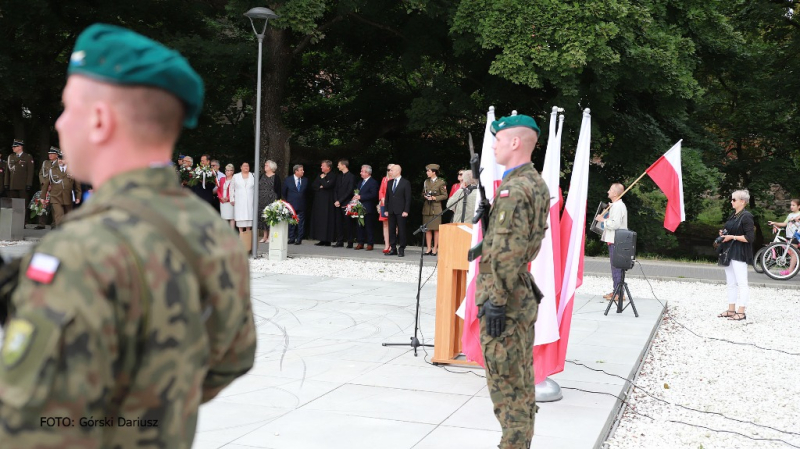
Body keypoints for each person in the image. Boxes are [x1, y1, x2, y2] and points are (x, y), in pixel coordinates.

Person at [0, 24, 255, 447]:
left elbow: (32, 430)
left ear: (99, 120)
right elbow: (232, 358)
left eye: (67, 109)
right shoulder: (208, 226)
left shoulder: (83, 248)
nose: (61, 124)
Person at [475, 114, 549, 449]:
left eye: (498, 139)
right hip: (519, 294)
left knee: (506, 385)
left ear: (515, 142)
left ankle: (514, 444)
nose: (494, 145)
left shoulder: (514, 189)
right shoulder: (535, 182)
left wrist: (495, 301)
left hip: (505, 300)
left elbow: (507, 251)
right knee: (520, 379)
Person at [717, 189, 755, 321]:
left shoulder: (747, 216)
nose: (731, 202)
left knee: (742, 282)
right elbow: (730, 230)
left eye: (734, 199)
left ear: (742, 202)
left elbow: (750, 237)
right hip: (729, 251)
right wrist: (724, 234)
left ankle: (741, 311)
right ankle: (731, 309)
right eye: (731, 199)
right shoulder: (733, 215)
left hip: (740, 252)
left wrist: (732, 237)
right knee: (731, 282)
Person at [594, 183, 628, 301]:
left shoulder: (618, 206)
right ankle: (616, 291)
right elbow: (614, 220)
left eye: (610, 189)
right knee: (615, 267)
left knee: (616, 267)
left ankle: (619, 294)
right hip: (614, 239)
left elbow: (615, 224)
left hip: (616, 240)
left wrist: (602, 220)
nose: (608, 191)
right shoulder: (616, 206)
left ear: (615, 193)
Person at [41, 151, 82, 227]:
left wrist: (78, 196)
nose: (60, 160)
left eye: (62, 159)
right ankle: (59, 232)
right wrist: (42, 197)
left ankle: (66, 233)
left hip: (68, 197)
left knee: (68, 216)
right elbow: (46, 184)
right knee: (59, 214)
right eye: (59, 158)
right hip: (55, 196)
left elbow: (77, 185)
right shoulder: (52, 170)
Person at [767, 198, 800, 275]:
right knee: (792, 253)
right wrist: (774, 223)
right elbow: (784, 224)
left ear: (799, 206)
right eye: (791, 205)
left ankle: (790, 271)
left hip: (795, 236)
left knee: (793, 254)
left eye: (793, 205)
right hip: (789, 236)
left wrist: (796, 219)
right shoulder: (790, 215)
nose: (791, 207)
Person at [384, 164, 411, 257]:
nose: (390, 172)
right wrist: (386, 209)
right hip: (391, 210)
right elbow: (387, 197)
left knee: (402, 230)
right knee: (391, 229)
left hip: (401, 210)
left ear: (398, 171)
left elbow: (408, 198)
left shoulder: (405, 183)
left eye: (392, 170)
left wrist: (406, 210)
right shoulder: (389, 182)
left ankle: (402, 248)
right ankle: (393, 248)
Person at [421, 164, 448, 256]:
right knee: (427, 229)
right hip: (427, 207)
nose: (427, 172)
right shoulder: (426, 182)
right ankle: (428, 248)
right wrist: (425, 196)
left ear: (434, 172)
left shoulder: (441, 182)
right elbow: (423, 192)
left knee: (436, 229)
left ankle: (435, 248)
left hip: (436, 208)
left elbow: (445, 195)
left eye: (428, 171)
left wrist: (434, 198)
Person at [310, 160, 336, 246]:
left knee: (327, 219)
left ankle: (327, 239)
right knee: (320, 219)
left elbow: (328, 185)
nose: (321, 167)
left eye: (323, 166)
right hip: (319, 201)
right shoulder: (319, 175)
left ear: (328, 167)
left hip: (328, 201)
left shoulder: (332, 176)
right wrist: (320, 186)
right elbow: (314, 185)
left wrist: (322, 180)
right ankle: (321, 239)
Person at [353, 164, 379, 250]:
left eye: (362, 171)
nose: (360, 173)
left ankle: (370, 243)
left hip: (368, 207)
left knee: (368, 226)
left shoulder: (373, 182)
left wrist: (361, 197)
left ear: (367, 173)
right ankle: (360, 242)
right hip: (359, 207)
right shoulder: (360, 182)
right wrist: (355, 197)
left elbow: (374, 195)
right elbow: (357, 192)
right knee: (359, 225)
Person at [333, 158, 357, 248]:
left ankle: (350, 241)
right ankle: (340, 241)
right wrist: (336, 200)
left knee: (348, 223)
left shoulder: (351, 177)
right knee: (338, 222)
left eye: (339, 164)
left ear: (344, 165)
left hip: (346, 203)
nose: (337, 166)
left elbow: (350, 190)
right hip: (338, 203)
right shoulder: (339, 176)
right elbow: (335, 189)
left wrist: (340, 200)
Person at [35, 147, 60, 229]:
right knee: (42, 204)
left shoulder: (60, 163)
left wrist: (52, 185)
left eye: (52, 154)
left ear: (56, 155)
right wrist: (43, 183)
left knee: (54, 205)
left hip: (55, 187)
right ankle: (41, 223)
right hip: (45, 187)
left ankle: (54, 223)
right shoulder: (45, 163)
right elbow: (41, 174)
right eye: (49, 153)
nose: (50, 155)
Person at [282, 164, 308, 245]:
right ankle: (291, 238)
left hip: (301, 204)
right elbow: (284, 192)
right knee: (291, 222)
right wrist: (288, 201)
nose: (303, 171)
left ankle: (299, 238)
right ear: (296, 171)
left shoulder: (305, 180)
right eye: (301, 170)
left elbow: (307, 192)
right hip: (291, 204)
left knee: (301, 223)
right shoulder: (288, 180)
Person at [258, 160, 282, 243]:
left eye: (267, 165)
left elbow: (278, 190)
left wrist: (278, 201)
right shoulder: (261, 176)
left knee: (270, 218)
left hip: (271, 200)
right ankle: (264, 236)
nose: (265, 166)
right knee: (263, 218)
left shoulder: (276, 177)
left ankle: (270, 236)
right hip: (261, 200)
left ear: (271, 167)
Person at [4, 139, 34, 205]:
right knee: (14, 205)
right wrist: (6, 183)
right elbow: (7, 172)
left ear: (20, 147)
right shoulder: (11, 157)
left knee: (23, 204)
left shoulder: (27, 157)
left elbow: (30, 172)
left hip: (23, 185)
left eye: (15, 147)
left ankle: (25, 215)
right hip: (13, 184)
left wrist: (29, 184)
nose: (13, 148)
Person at [232, 162, 255, 234]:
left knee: (249, 215)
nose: (246, 167)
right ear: (241, 167)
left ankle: (248, 233)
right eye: (244, 166)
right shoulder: (236, 176)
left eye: (247, 166)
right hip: (239, 199)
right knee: (240, 216)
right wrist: (232, 199)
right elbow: (231, 188)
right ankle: (241, 233)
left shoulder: (253, 175)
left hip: (250, 199)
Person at [378, 164, 394, 253]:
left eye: (391, 169)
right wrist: (382, 198)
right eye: (388, 169)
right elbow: (381, 191)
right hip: (384, 204)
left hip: (393, 204)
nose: (389, 171)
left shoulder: (396, 180)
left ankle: (392, 244)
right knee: (385, 224)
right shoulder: (384, 179)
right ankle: (386, 244)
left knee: (393, 224)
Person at [218, 164, 236, 229]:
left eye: (229, 170)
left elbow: (234, 190)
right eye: (226, 170)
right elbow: (219, 189)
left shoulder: (234, 179)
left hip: (230, 201)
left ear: (232, 171)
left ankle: (232, 233)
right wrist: (221, 197)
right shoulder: (222, 179)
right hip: (223, 201)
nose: (227, 172)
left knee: (231, 218)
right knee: (224, 218)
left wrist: (228, 197)